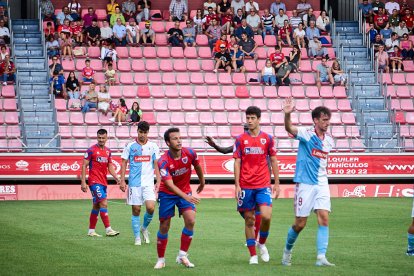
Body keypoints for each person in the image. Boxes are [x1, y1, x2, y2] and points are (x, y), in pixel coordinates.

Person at [281, 98, 335, 267]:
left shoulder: (329, 141)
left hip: (321, 182)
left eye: (328, 120)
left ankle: (321, 257)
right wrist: (287, 114)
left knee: (324, 217)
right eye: (324, 120)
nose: (327, 123)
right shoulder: (306, 134)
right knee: (300, 224)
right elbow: (289, 128)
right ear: (316, 120)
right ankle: (287, 251)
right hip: (305, 183)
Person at [233, 106, 280, 265]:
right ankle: (253, 255)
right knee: (249, 220)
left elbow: (273, 160)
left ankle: (262, 244)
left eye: (253, 118)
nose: (250, 121)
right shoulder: (240, 139)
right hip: (246, 185)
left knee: (266, 216)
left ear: (259, 119)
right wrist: (237, 185)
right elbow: (237, 162)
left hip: (263, 184)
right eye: (248, 118)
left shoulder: (267, 138)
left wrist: (277, 183)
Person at [154, 127, 205, 269]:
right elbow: (169, 185)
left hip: (184, 191)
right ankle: (161, 259)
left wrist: (202, 181)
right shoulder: (163, 161)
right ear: (168, 142)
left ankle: (182, 255)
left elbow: (197, 166)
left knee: (191, 220)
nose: (179, 140)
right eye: (175, 138)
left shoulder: (189, 152)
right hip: (167, 194)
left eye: (180, 138)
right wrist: (186, 197)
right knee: (164, 226)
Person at [120, 121, 161, 245]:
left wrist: (158, 180)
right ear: (137, 131)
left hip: (148, 183)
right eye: (140, 132)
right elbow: (123, 162)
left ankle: (144, 228)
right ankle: (137, 237)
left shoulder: (153, 146)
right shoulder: (130, 146)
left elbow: (156, 164)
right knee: (136, 210)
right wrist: (122, 180)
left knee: (151, 208)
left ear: (148, 132)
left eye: (145, 132)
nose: (142, 135)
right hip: (134, 184)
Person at [81, 128, 120, 238]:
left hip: (103, 182)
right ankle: (108, 229)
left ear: (107, 138)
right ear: (97, 137)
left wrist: (117, 178)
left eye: (103, 138)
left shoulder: (108, 151)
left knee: (96, 206)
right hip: (94, 181)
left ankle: (91, 230)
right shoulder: (91, 150)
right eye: (99, 138)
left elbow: (110, 166)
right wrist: (83, 182)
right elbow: (84, 165)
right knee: (104, 203)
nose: (101, 140)